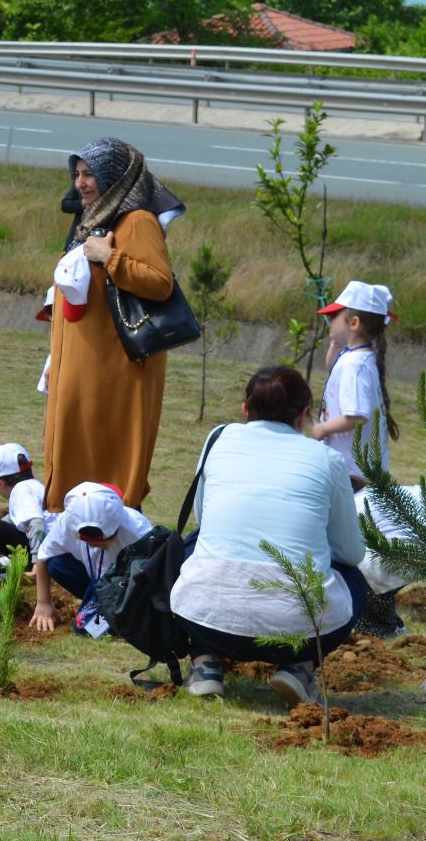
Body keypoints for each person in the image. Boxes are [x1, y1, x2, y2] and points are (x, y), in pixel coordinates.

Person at [172, 366, 368, 707]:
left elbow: (204, 519)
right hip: (299, 634)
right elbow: (350, 553)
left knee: (193, 545)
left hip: (206, 621)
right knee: (354, 579)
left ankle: (205, 664)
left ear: (245, 409)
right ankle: (300, 667)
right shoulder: (328, 460)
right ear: (304, 415)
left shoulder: (219, 437)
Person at [42, 138, 182, 512]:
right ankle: (71, 537)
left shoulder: (137, 222)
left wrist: (112, 257)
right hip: (81, 361)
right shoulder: (91, 220)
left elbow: (159, 282)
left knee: (106, 456)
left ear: (115, 178)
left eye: (90, 174)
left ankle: (106, 537)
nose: (80, 183)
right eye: (77, 174)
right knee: (71, 447)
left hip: (117, 368)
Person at [27, 482, 152, 637]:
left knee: (84, 630)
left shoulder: (137, 530)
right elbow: (43, 557)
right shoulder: (65, 524)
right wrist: (43, 603)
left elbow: (153, 572)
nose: (100, 545)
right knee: (56, 564)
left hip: (127, 585)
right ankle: (97, 602)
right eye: (90, 542)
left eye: (106, 540)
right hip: (95, 579)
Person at [312, 280, 397, 487]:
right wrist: (336, 341)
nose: (328, 321)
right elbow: (331, 364)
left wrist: (322, 429)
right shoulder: (358, 356)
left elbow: (358, 416)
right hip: (355, 470)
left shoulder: (354, 365)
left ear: (354, 323)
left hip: (352, 475)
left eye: (333, 316)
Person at [0, 443, 48, 555]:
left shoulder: (20, 491)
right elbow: (13, 520)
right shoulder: (34, 486)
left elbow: (37, 523)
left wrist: (38, 561)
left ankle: (29, 565)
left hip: (45, 554)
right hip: (53, 546)